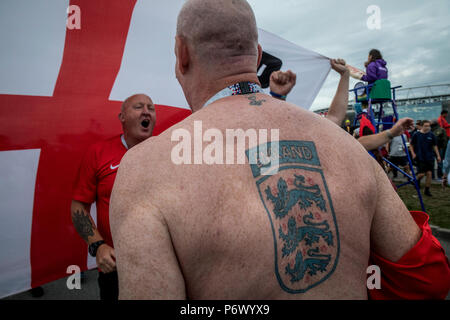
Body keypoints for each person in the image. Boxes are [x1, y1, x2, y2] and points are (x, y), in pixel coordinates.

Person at [110, 0, 450, 300]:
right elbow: (428, 280)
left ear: (182, 53)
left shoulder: (144, 171)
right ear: (257, 55)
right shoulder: (343, 145)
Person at [71, 94, 156, 300]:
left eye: (151, 108)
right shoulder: (98, 152)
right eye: (138, 107)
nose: (146, 111)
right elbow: (78, 207)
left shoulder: (165, 152)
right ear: (122, 117)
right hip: (116, 266)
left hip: (160, 262)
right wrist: (97, 246)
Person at [409, 120, 442, 196]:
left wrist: (438, 156)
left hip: (430, 157)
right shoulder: (416, 134)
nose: (427, 127)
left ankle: (427, 190)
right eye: (426, 126)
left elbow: (435, 146)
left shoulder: (432, 135)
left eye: (429, 126)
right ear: (422, 126)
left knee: (429, 173)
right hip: (420, 157)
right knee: (422, 174)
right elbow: (411, 145)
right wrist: (413, 153)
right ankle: (414, 180)